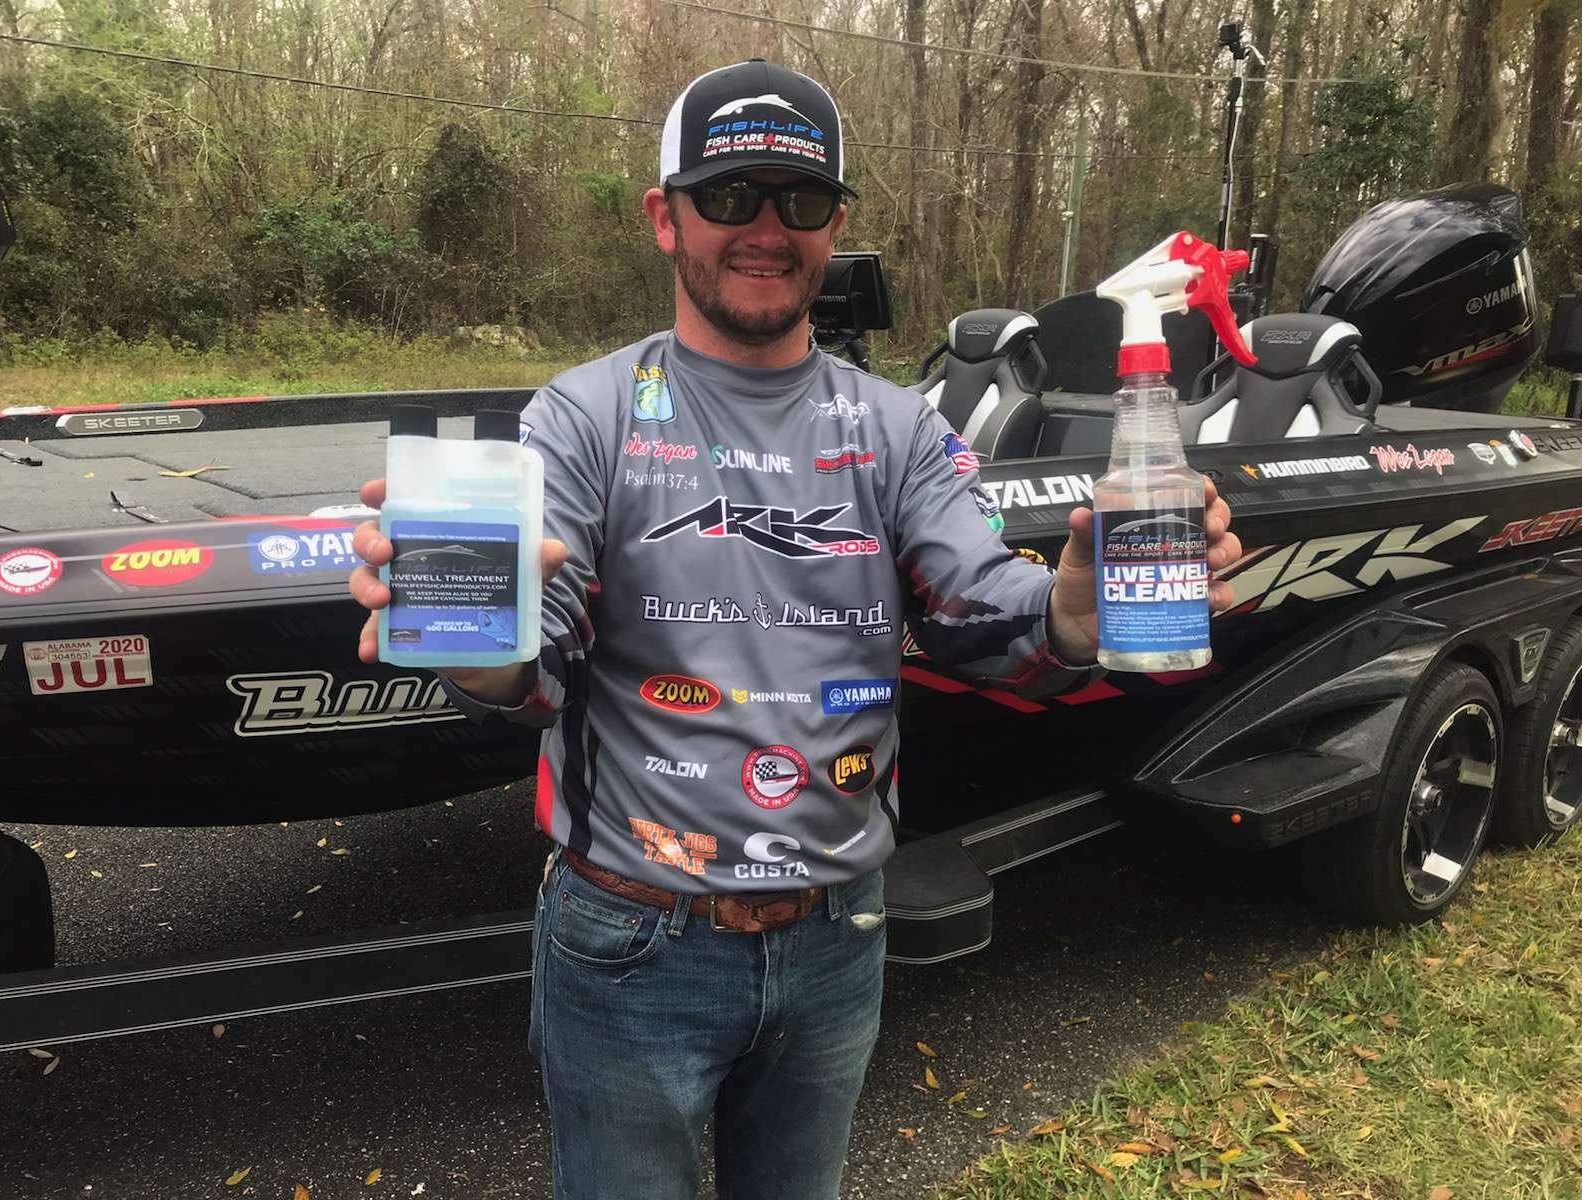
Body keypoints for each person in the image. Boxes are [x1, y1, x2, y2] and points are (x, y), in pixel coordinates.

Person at [348, 58, 1243, 1200]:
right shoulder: (583, 414)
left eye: (800, 199)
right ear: (664, 217)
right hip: (632, 939)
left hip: (839, 932)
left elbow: (976, 606)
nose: (766, 229)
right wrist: (474, 639)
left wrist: (1067, 612)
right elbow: (537, 660)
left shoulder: (898, 427)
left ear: (834, 227)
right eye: (728, 195)